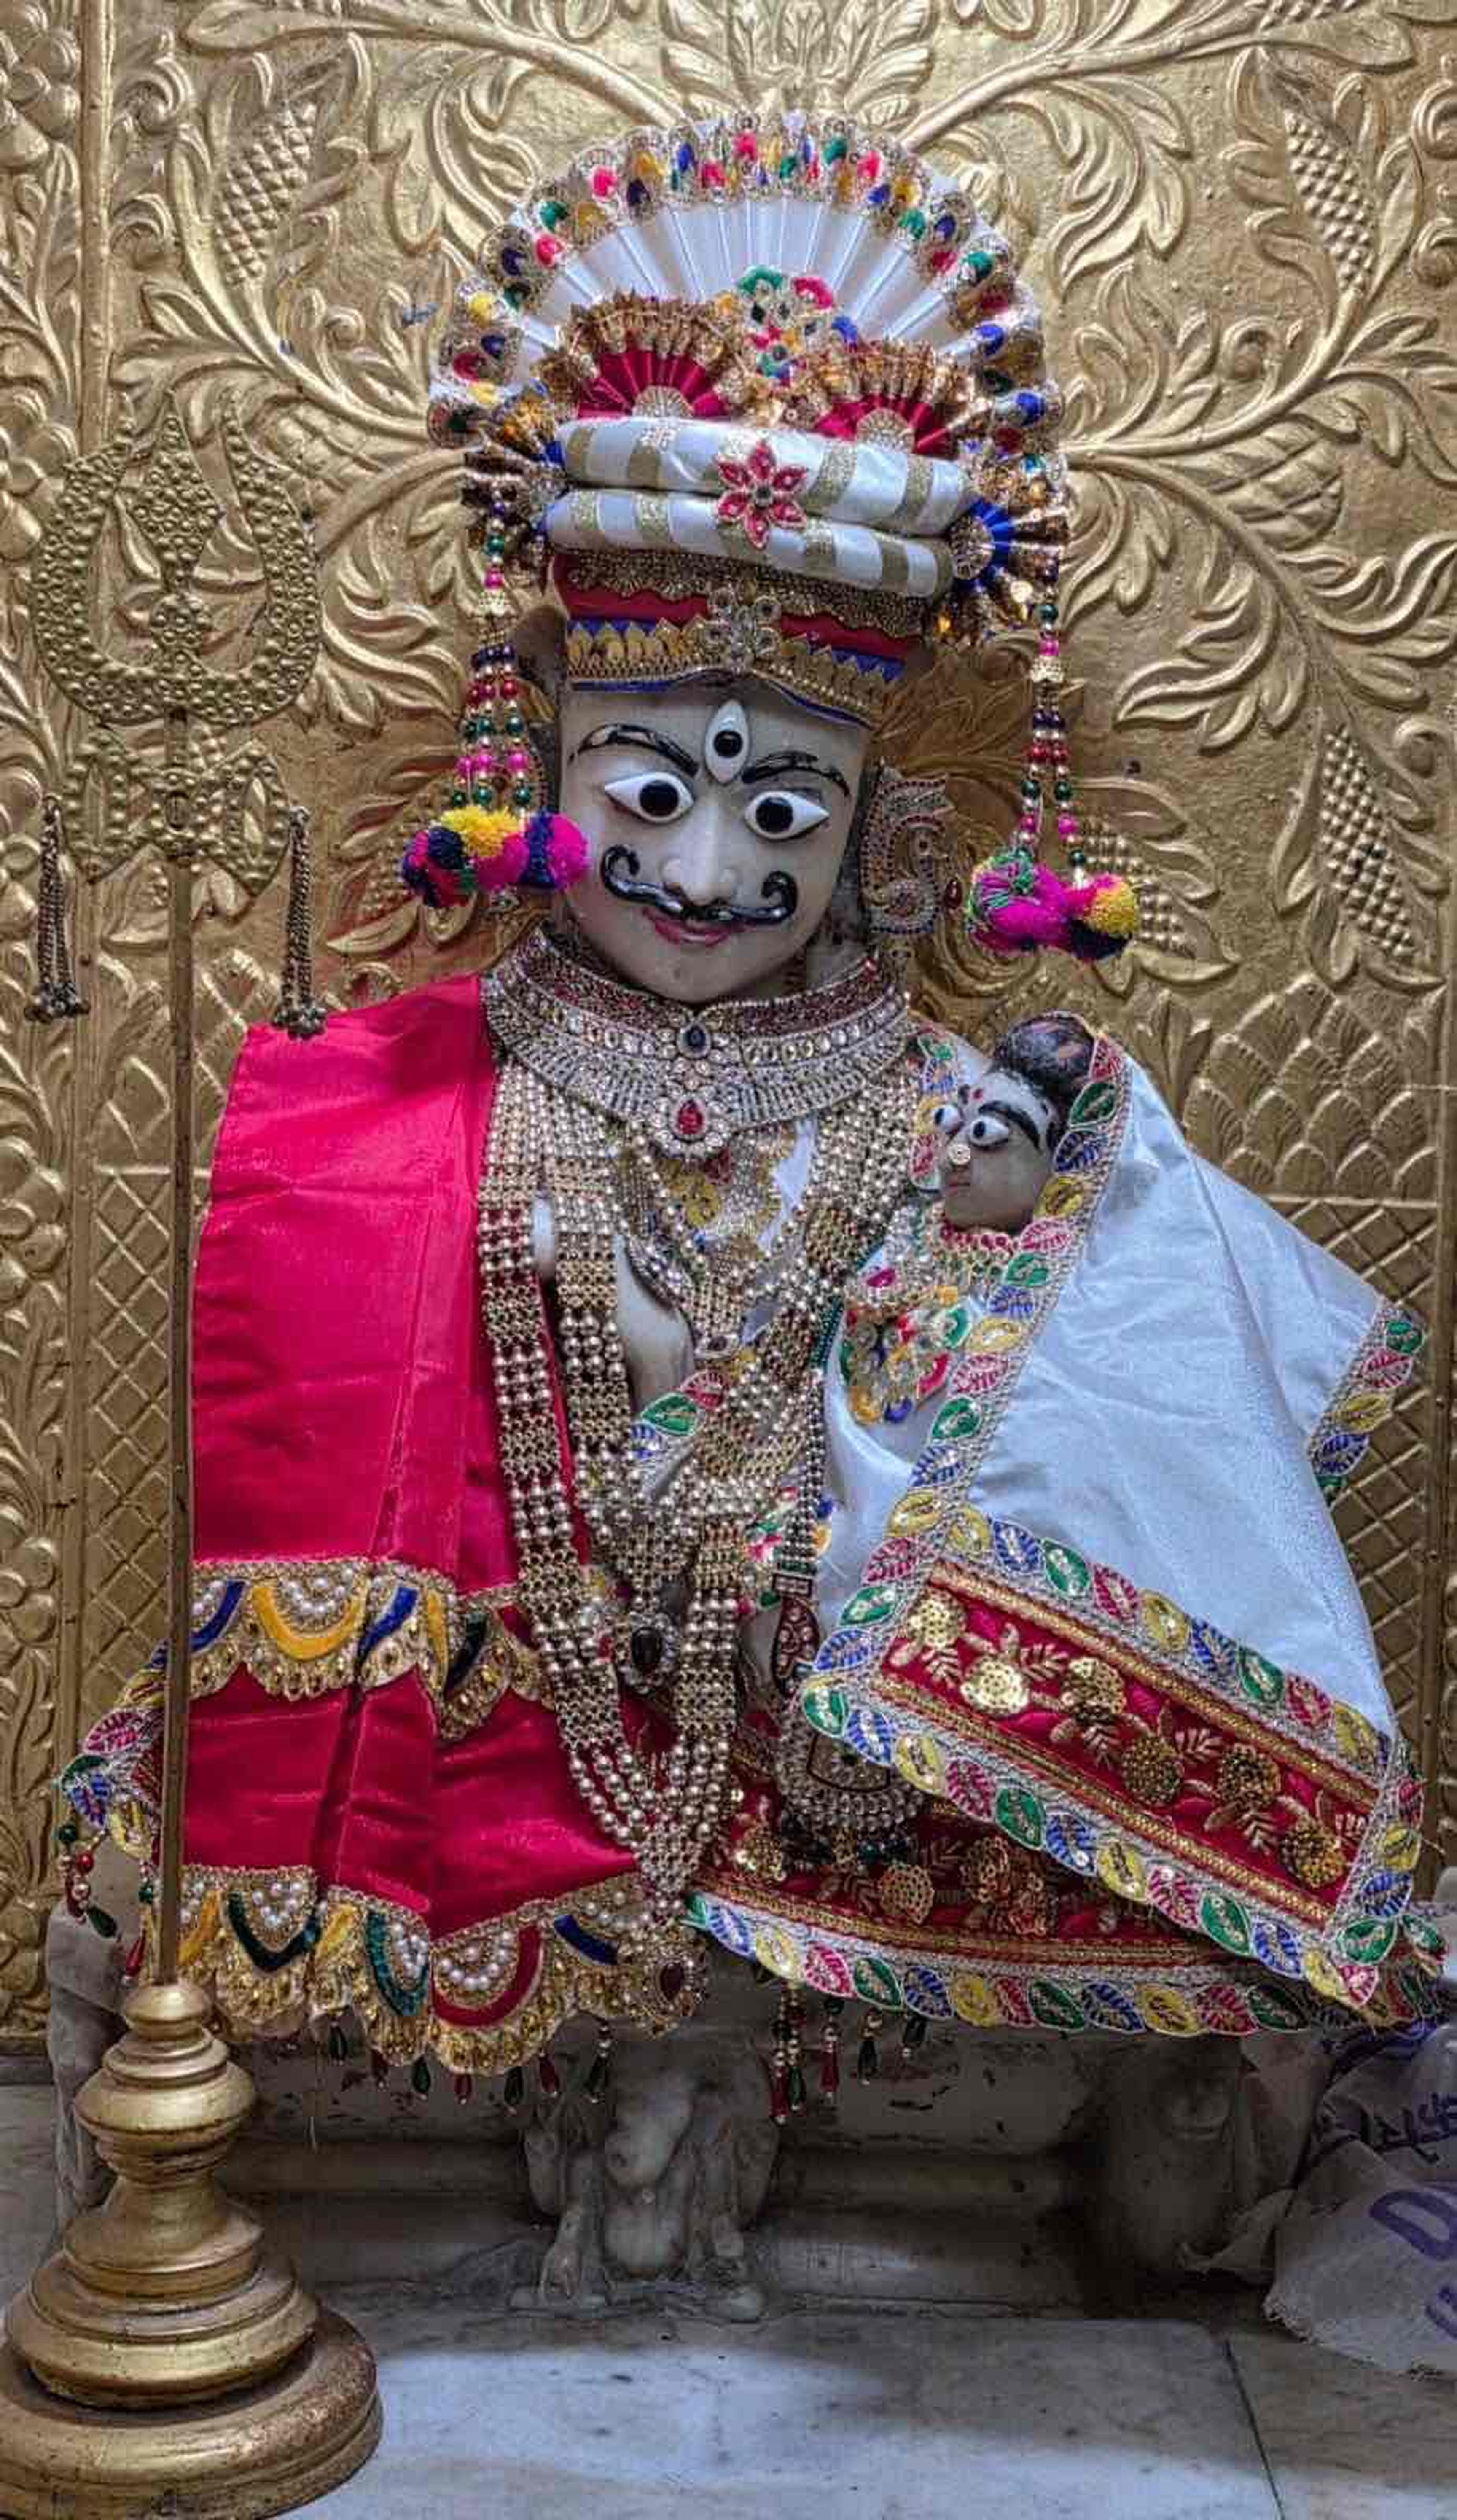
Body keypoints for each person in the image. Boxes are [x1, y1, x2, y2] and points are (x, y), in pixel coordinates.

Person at [60, 109, 1439, 2103]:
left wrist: (1001, 1253)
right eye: (650, 792)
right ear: (541, 768)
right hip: (494, 1839)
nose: (707, 871)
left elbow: (1111, 1454)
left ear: (876, 829)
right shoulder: (392, 1127)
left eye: (780, 809)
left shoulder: (966, 1119)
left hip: (850, 1848)